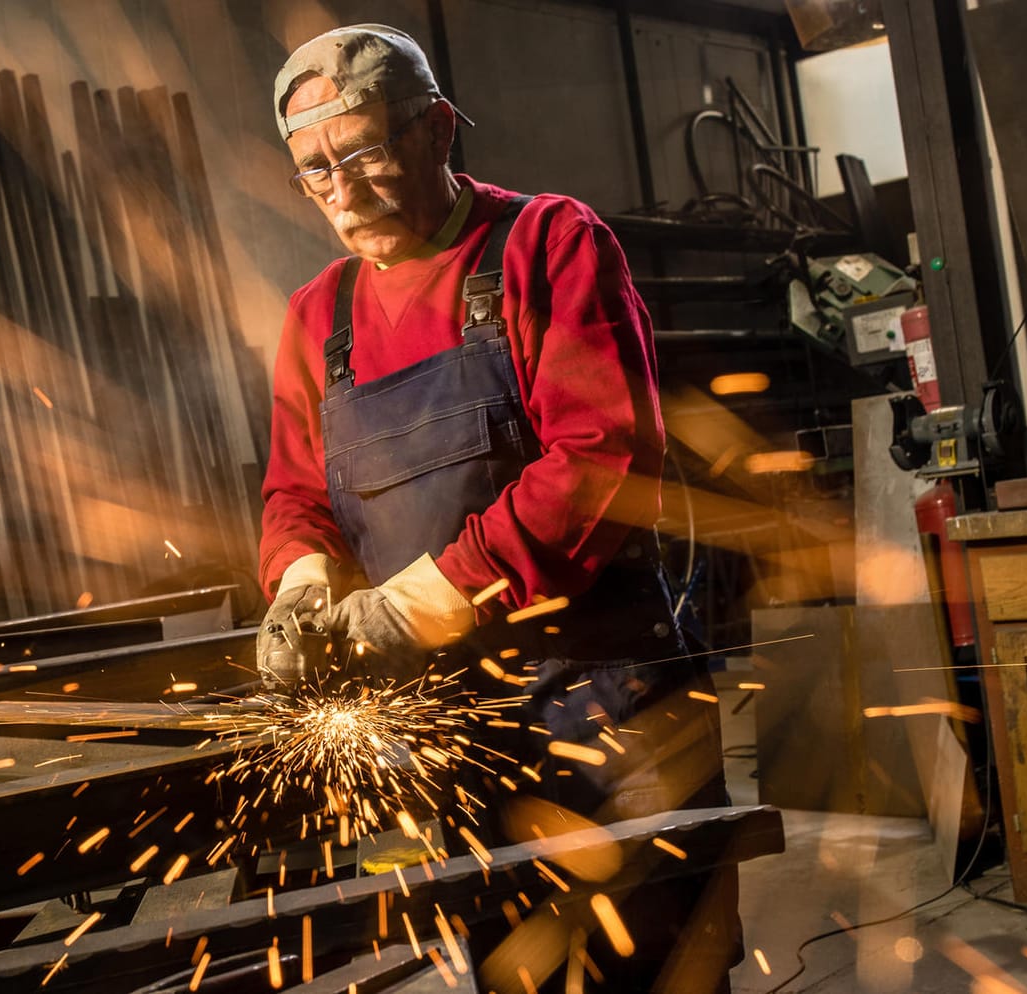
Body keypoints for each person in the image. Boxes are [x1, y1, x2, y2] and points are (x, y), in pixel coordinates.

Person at [254, 24, 739, 993]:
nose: (339, 194)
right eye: (314, 170)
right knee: (514, 970)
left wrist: (413, 603)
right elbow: (298, 492)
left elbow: (599, 460)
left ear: (437, 132)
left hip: (608, 710)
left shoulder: (548, 245)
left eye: (363, 153)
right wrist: (300, 583)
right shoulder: (320, 318)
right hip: (460, 729)